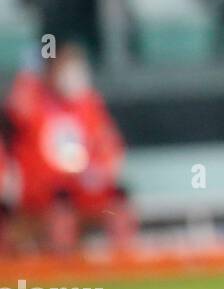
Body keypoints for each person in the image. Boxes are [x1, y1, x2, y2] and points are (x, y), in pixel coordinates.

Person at [2, 44, 136, 253]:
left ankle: (126, 264)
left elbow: (109, 148)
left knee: (119, 202)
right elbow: (16, 108)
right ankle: (63, 273)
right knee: (61, 208)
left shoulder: (88, 105)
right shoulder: (36, 104)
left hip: (83, 189)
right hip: (44, 193)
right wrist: (28, 75)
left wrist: (100, 173)